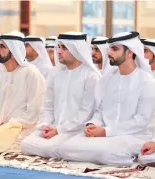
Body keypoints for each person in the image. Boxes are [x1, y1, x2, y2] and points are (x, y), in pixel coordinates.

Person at [58, 32, 155, 166]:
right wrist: (92, 125)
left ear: (130, 52)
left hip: (134, 135)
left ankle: (132, 157)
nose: (108, 52)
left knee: (107, 152)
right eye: (109, 48)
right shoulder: (108, 80)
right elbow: (100, 111)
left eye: (114, 49)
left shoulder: (147, 82)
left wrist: (106, 131)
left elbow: (141, 121)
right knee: (65, 148)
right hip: (106, 134)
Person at [21, 32, 100, 158]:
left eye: (64, 48)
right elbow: (48, 105)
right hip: (53, 127)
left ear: (76, 49)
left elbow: (85, 113)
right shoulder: (55, 73)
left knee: (53, 147)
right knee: (25, 143)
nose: (59, 52)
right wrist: (47, 125)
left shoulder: (90, 76)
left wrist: (59, 130)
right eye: (59, 47)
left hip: (74, 131)